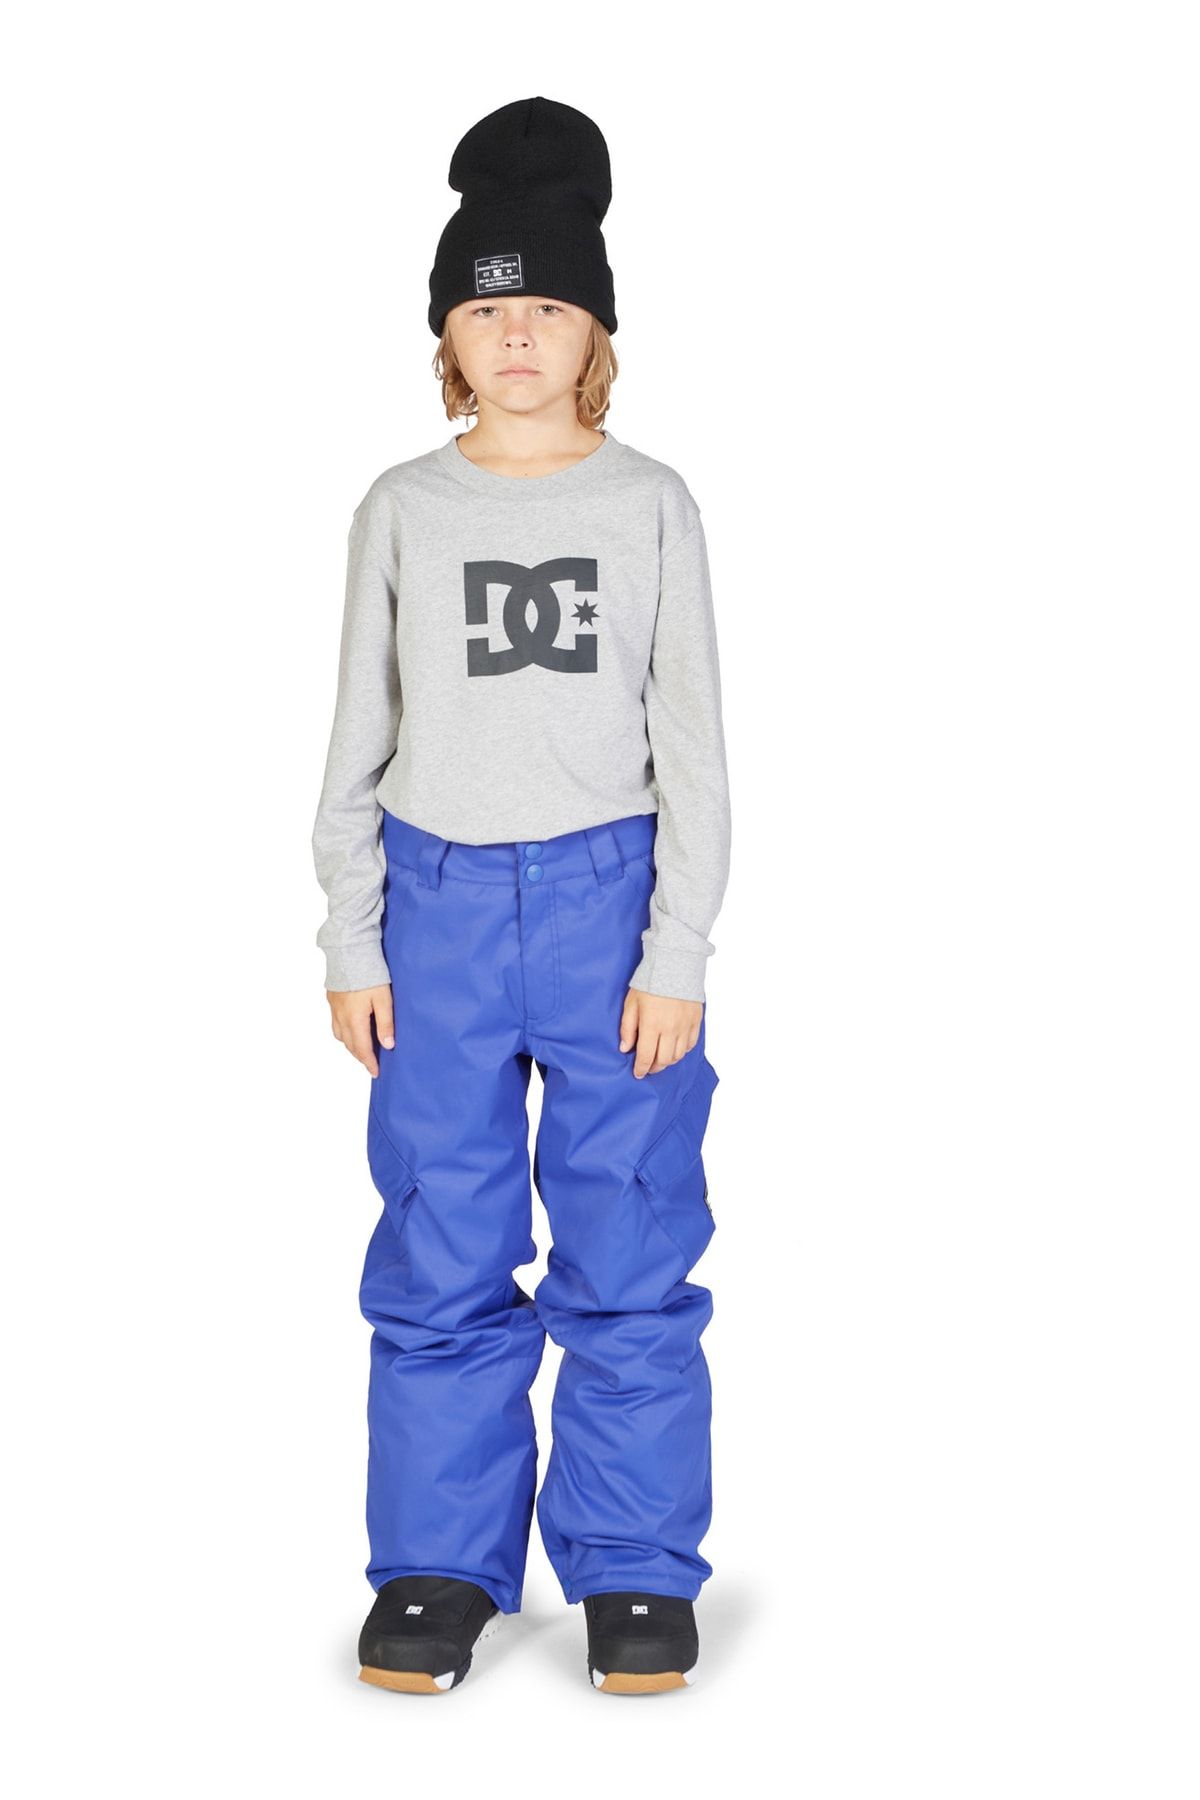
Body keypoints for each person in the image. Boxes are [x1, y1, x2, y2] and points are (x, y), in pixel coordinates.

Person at [311, 95, 732, 1696]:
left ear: (595, 334)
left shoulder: (651, 503)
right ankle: (438, 1563)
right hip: (436, 908)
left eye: (548, 306)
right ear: (446, 334)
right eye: (486, 308)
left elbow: (692, 746)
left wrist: (677, 948)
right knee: (442, 1233)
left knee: (628, 1235)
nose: (515, 334)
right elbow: (358, 733)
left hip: (608, 904)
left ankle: (631, 1566)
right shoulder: (403, 509)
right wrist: (352, 932)